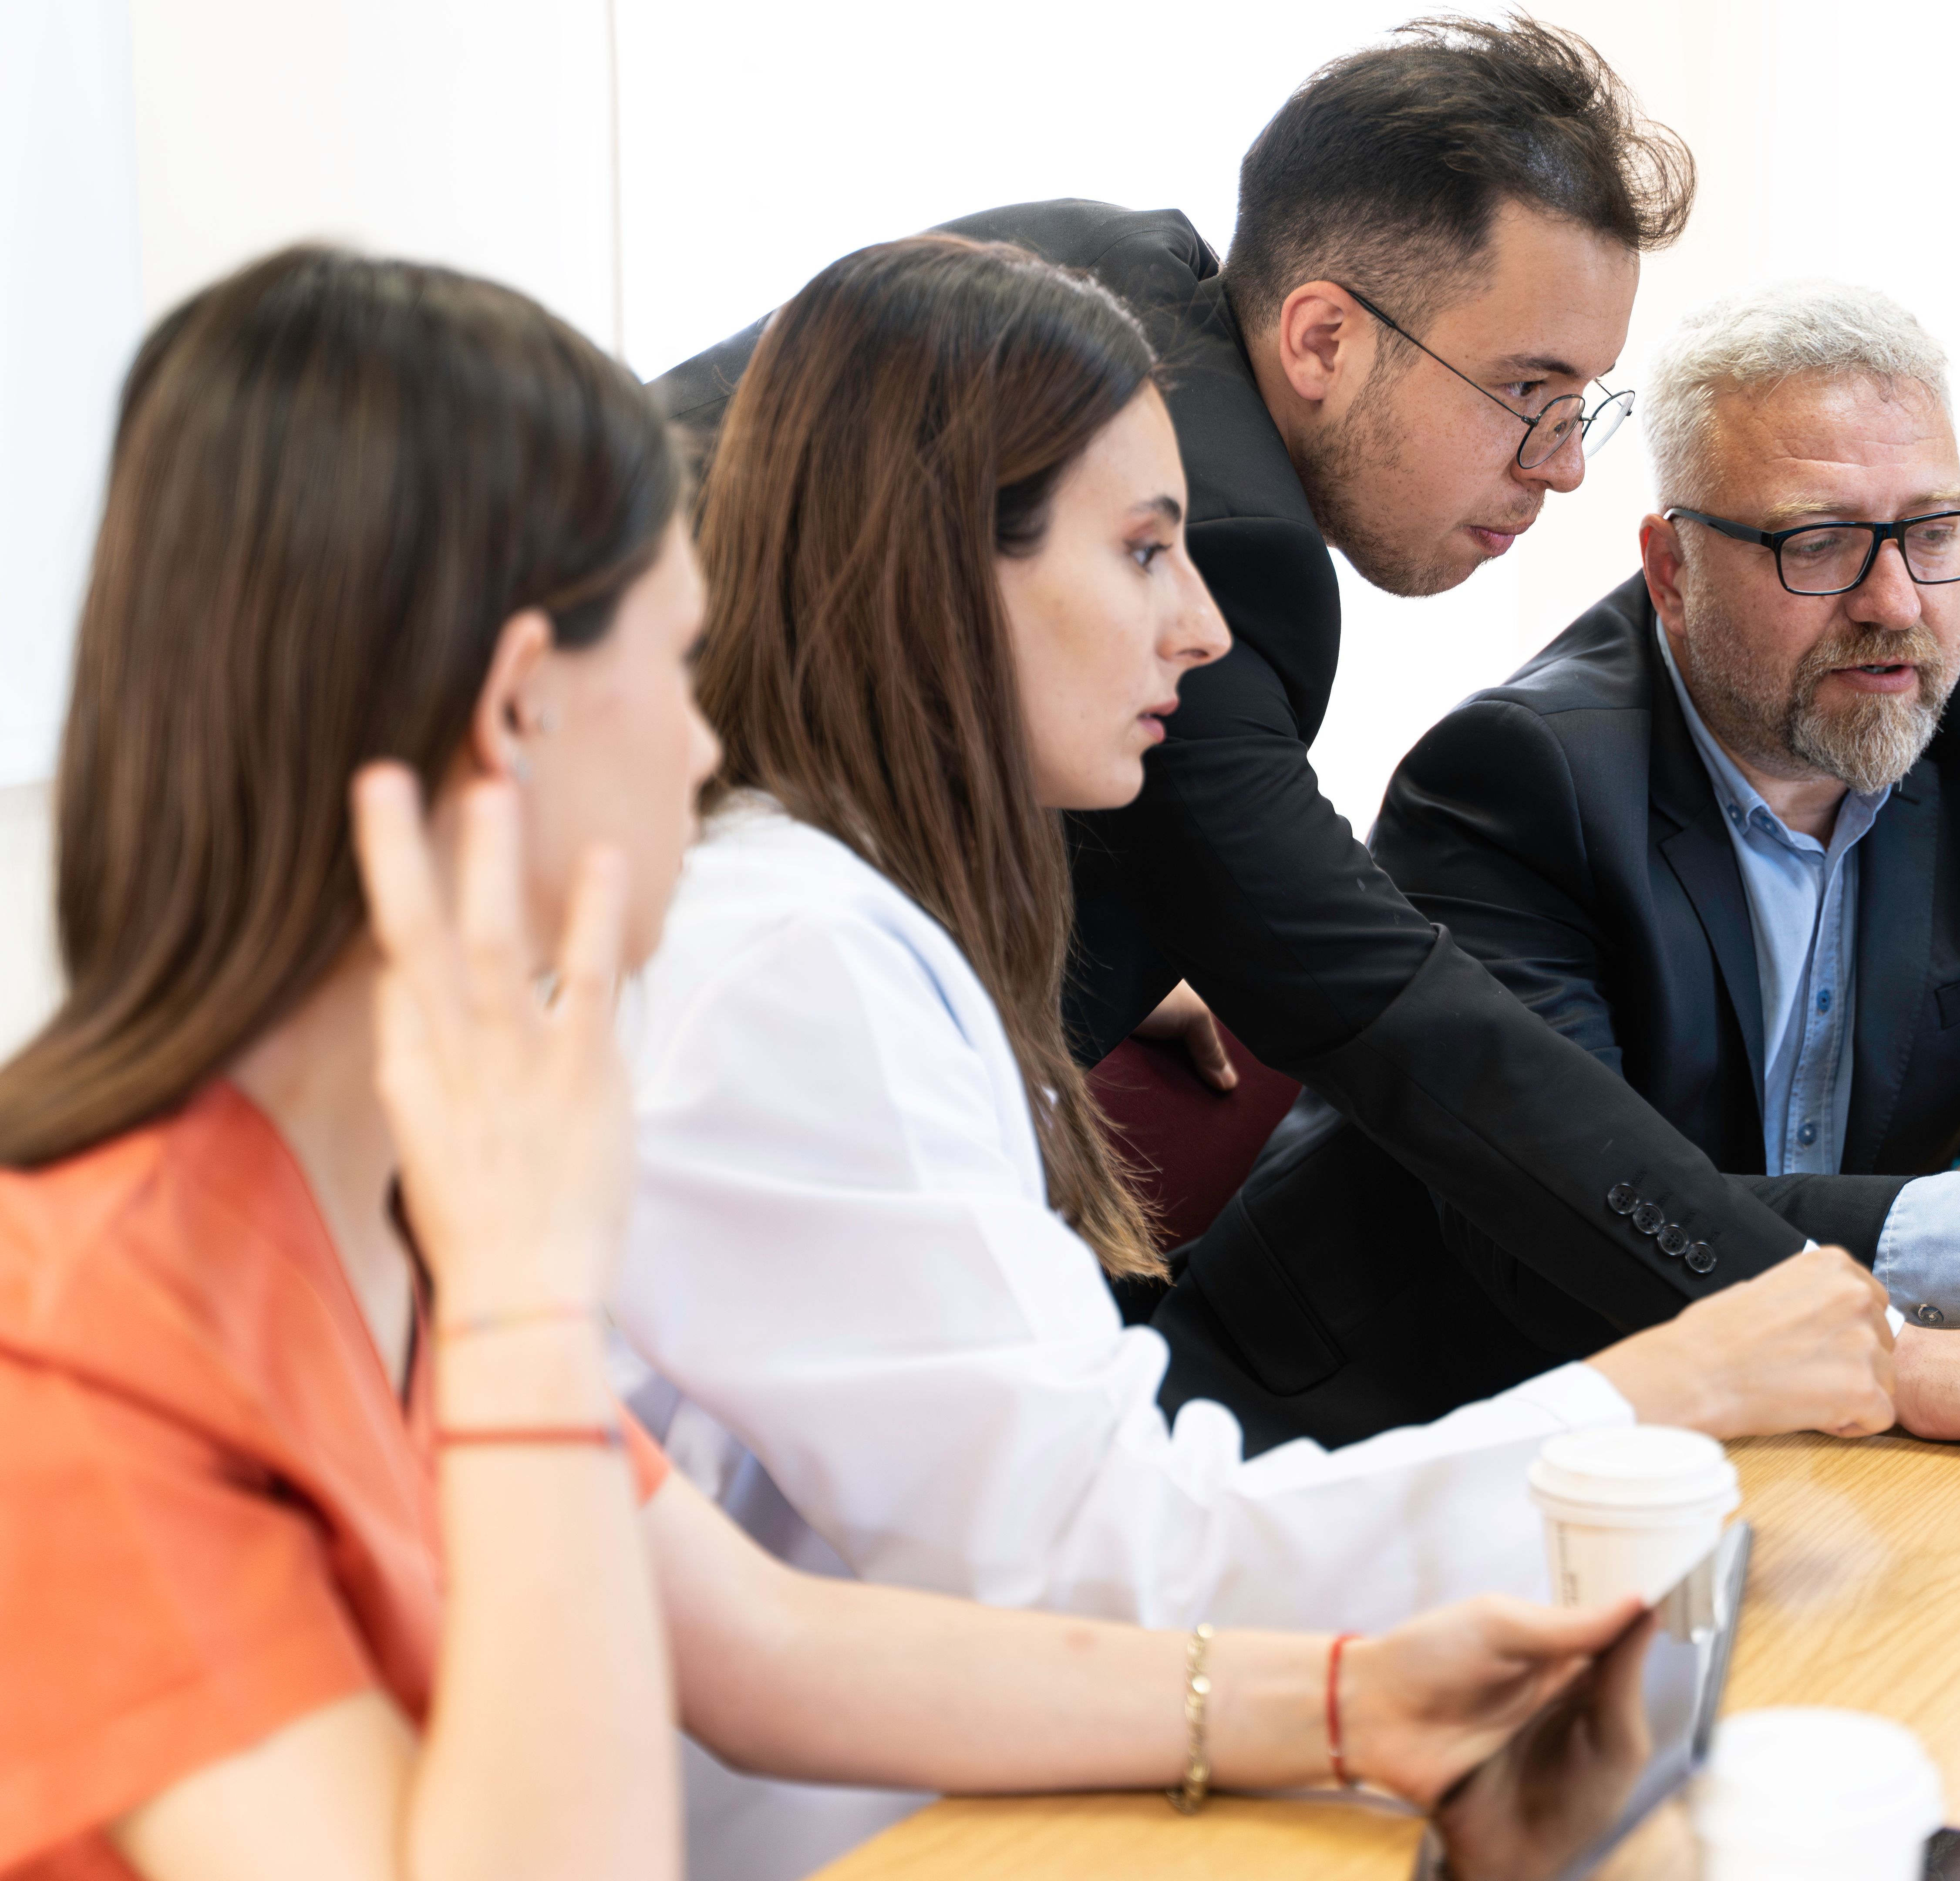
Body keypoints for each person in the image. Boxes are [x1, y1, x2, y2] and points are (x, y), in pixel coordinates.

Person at [0, 246, 1663, 1881]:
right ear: (521, 715)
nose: (706, 738)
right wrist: (518, 1318)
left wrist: (1348, 1704)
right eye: (670, 662)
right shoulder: (82, 1314)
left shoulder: (385, 1202)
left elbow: (765, 1649)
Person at [617, 233, 1893, 1618]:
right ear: (932, 571)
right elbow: (1109, 1559)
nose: (1203, 629)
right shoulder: (805, 970)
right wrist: (1665, 1383)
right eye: (1143, 550)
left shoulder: (852, 932)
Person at [647, 17, 1908, 1348]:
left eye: (1580, 400)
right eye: (1526, 391)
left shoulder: (1099, 258)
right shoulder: (1231, 549)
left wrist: (1159, 924)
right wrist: (1828, 1332)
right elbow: (1395, 1015)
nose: (1562, 465)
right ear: (1320, 340)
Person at [1152, 281, 1960, 1449]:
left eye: (1934, 531)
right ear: (1668, 569)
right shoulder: (1515, 779)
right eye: (1816, 543)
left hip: (1789, 1439)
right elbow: (1561, 1232)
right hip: (1404, 1435)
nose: (1896, 601)